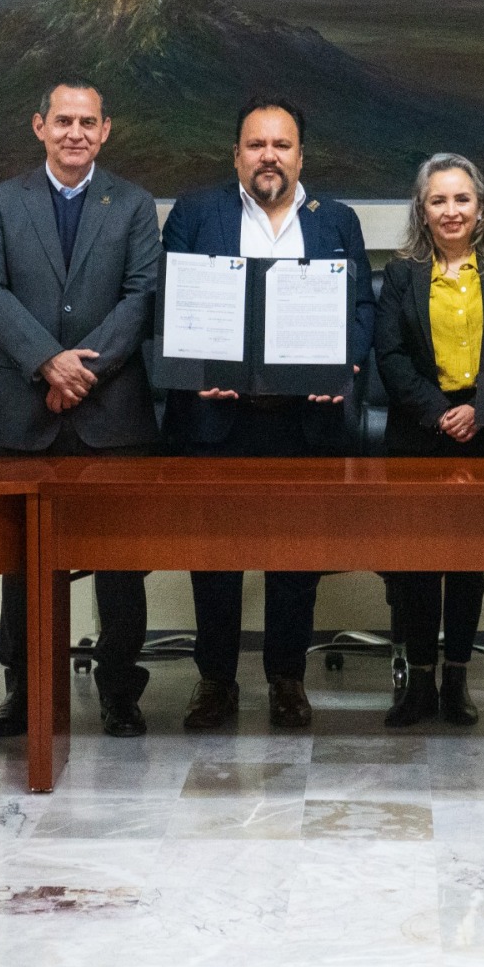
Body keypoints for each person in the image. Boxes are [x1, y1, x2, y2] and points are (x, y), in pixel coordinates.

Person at [161, 96, 375, 730]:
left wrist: (345, 368)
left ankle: (287, 678)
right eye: (256, 145)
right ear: (236, 155)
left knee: (294, 556)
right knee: (216, 556)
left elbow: (361, 308)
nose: (269, 156)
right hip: (217, 420)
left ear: (300, 155)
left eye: (281, 145)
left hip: (303, 421)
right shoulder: (197, 214)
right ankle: (216, 681)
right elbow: (175, 303)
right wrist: (199, 375)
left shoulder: (335, 219)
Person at [0, 80, 161, 739]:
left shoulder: (134, 204)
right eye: (63, 121)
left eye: (87, 122)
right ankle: (24, 691)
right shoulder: (2, 202)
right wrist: (47, 361)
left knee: (120, 565)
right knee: (23, 563)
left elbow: (142, 297)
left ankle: (119, 691)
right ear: (39, 126)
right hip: (28, 409)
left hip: (114, 415)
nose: (75, 132)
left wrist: (82, 370)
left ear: (105, 130)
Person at [374, 153, 484, 727]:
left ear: (481, 207)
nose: (451, 210)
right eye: (438, 200)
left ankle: (457, 681)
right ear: (422, 208)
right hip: (419, 437)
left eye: (462, 199)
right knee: (417, 564)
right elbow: (388, 356)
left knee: (467, 564)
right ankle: (418, 683)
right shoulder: (400, 273)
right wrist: (442, 413)